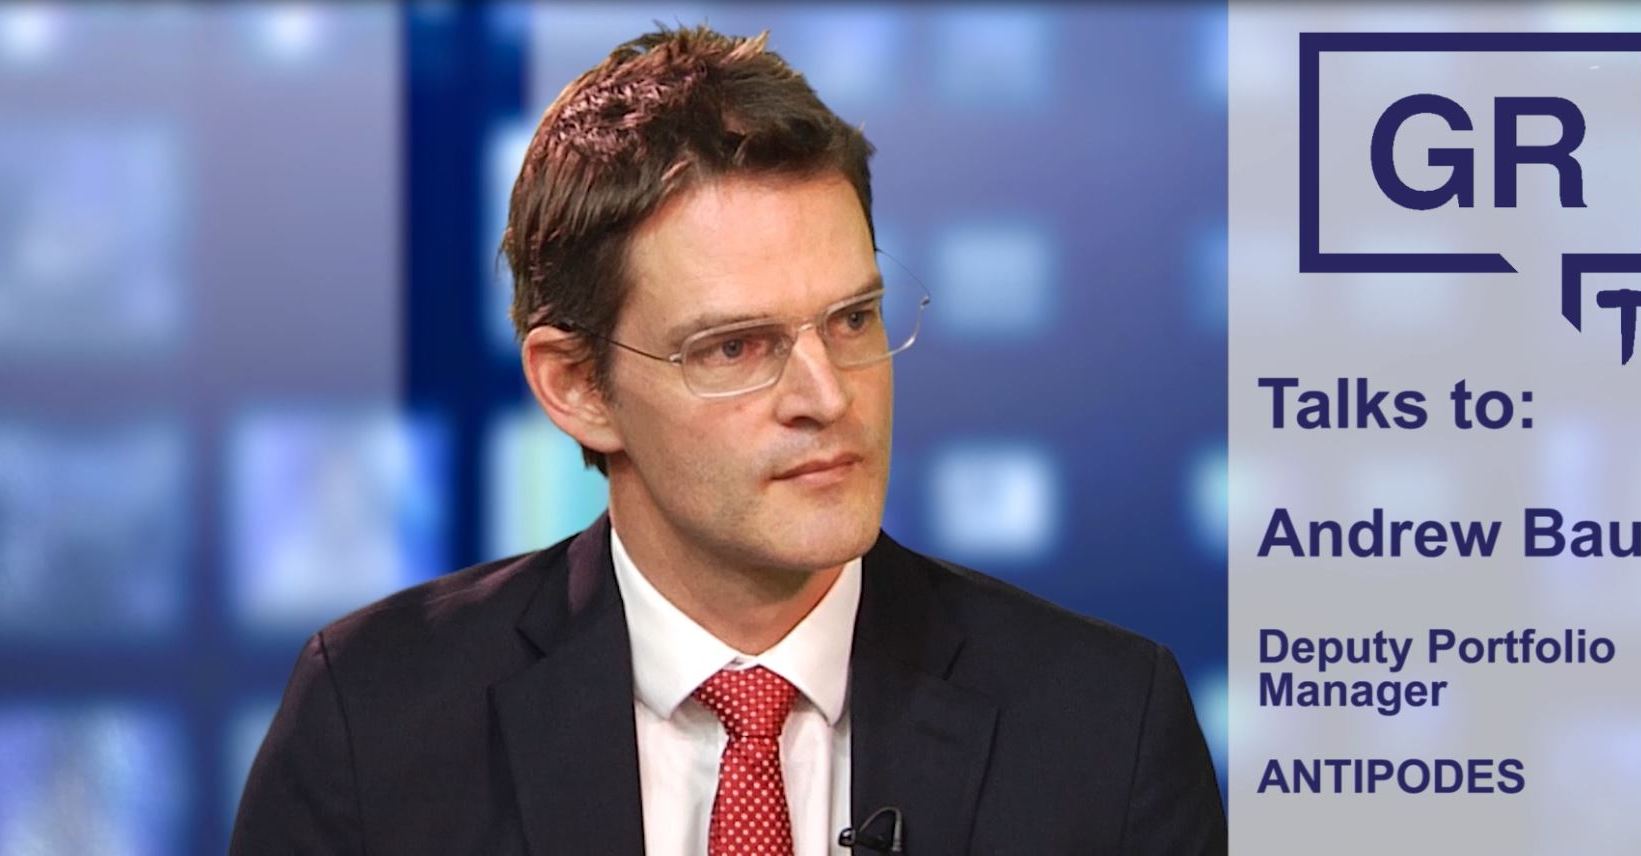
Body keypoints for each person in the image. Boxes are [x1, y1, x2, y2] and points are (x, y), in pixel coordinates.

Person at [231, 25, 1226, 855]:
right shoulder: (375, 721)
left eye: (852, 319)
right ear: (577, 387)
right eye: (736, 346)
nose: (827, 395)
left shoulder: (1106, 728)